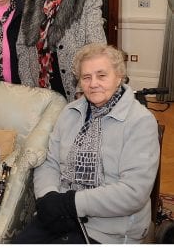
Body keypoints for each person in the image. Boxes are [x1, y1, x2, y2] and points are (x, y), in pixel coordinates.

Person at [13, 44, 158, 244]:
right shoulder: (70, 111)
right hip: (59, 215)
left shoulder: (141, 121)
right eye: (86, 77)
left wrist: (70, 204)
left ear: (119, 76)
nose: (93, 83)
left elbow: (134, 192)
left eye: (102, 75)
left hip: (109, 229)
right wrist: (48, 198)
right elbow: (50, 162)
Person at [17, 0, 106, 101]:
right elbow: (22, 46)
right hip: (38, 89)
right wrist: (28, 85)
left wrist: (83, 88)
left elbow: (96, 48)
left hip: (74, 89)